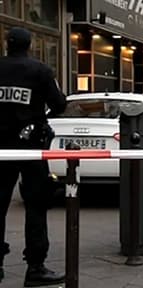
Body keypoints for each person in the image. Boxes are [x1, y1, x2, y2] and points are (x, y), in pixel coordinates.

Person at [0, 27, 67, 287]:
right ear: (29, 45)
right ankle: (35, 267)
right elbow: (59, 104)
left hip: (1, 149)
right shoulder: (40, 70)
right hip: (30, 146)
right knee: (36, 205)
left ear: (7, 45)